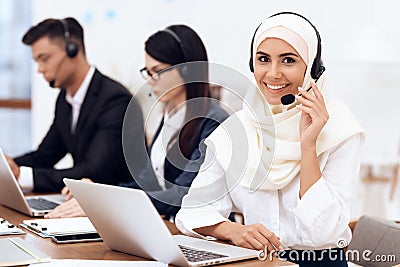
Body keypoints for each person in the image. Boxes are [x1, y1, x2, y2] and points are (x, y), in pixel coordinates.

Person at [175, 12, 365, 266]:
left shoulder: (340, 129)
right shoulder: (236, 131)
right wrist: (234, 231)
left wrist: (308, 145)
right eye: (263, 59)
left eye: (288, 60)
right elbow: (190, 213)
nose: (273, 74)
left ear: (312, 69)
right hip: (255, 262)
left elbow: (324, 232)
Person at [46, 24, 229, 220]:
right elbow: (144, 184)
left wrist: (108, 201)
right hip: (171, 228)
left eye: (157, 71)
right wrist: (98, 193)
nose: (151, 80)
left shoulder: (214, 121)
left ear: (186, 70)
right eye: (148, 72)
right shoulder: (169, 117)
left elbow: (182, 195)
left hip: (205, 234)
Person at [6, 17, 145, 192]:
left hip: (117, 208)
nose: (40, 69)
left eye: (44, 58)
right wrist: (9, 167)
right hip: (82, 203)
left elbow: (94, 171)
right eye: (37, 61)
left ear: (72, 50)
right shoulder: (66, 99)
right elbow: (45, 156)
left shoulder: (115, 100)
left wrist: (23, 176)